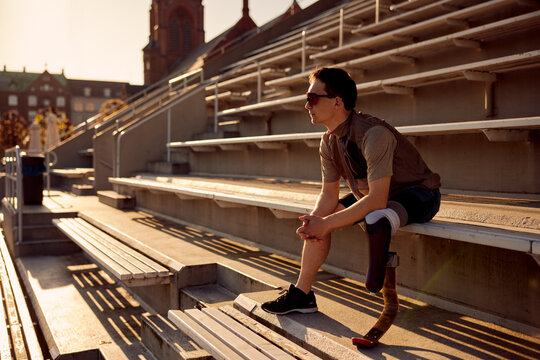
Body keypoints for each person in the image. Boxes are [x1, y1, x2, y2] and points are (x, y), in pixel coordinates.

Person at [261, 67, 441, 344]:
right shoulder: (328, 140)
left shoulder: (374, 134)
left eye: (312, 98)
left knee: (379, 213)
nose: (306, 105)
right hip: (371, 196)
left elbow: (378, 198)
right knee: (322, 218)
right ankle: (302, 294)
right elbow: (328, 194)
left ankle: (377, 255)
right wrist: (314, 222)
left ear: (337, 101)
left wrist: (326, 222)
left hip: (418, 194)